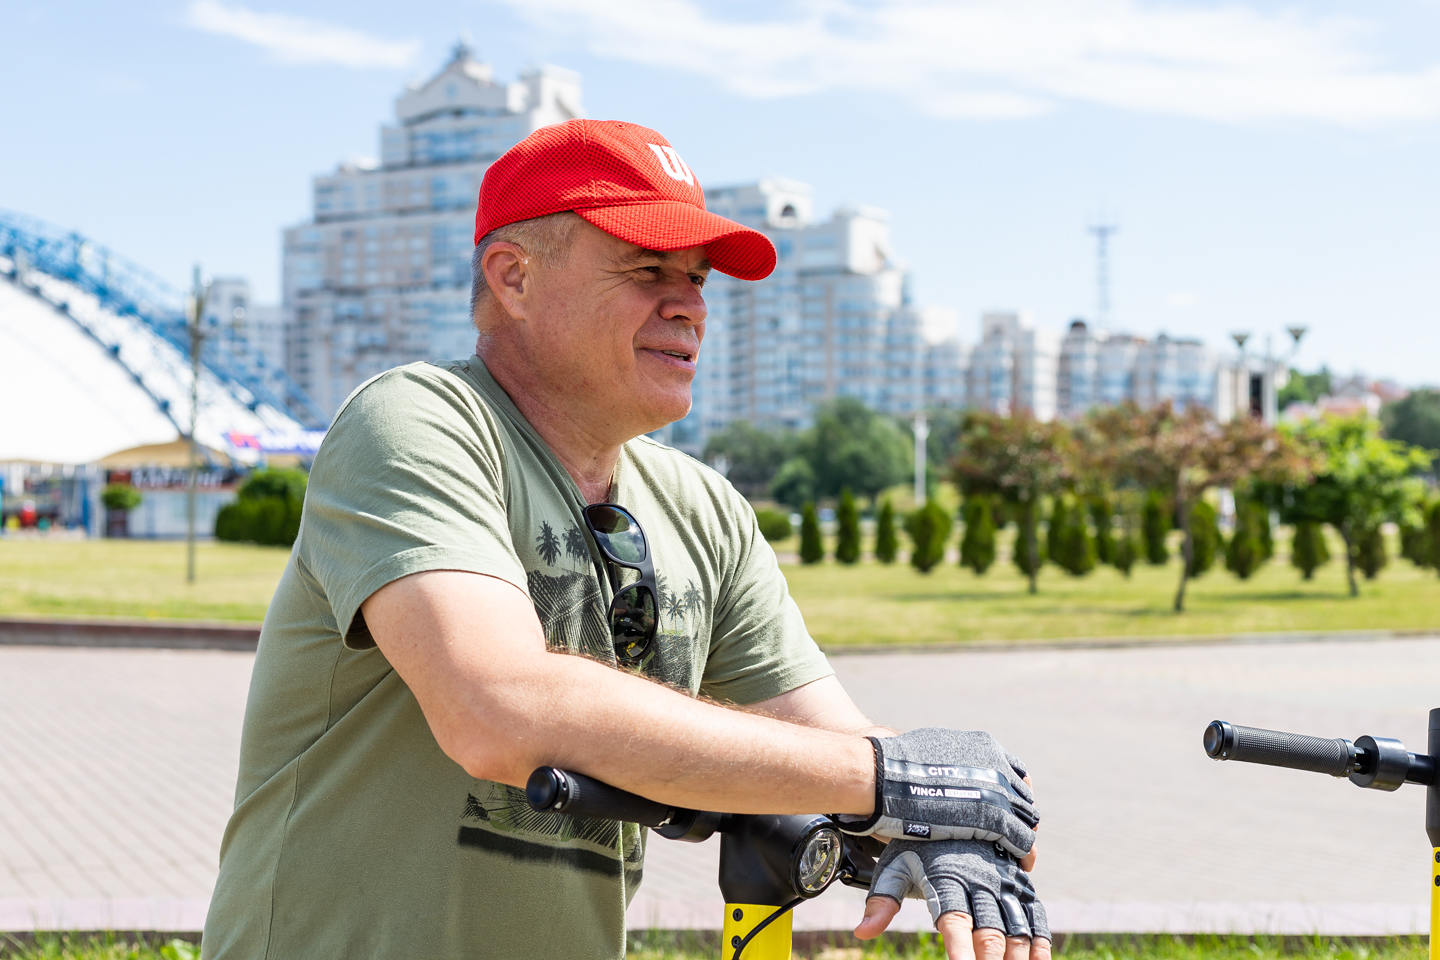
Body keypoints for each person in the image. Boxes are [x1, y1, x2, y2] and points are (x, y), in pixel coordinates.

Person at [202, 119, 1048, 960]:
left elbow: (827, 744)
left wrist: (935, 818)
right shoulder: (418, 421)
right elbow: (497, 711)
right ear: (514, 276)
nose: (691, 304)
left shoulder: (704, 507)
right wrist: (894, 779)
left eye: (698, 278)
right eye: (648, 270)